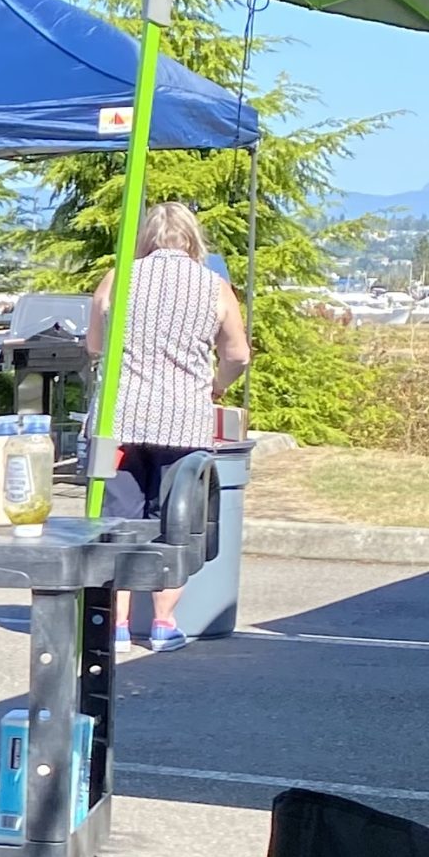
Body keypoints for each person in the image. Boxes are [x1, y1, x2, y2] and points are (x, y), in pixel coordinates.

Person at [88, 201, 250, 653]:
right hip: (184, 422)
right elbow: (238, 354)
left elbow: (94, 346)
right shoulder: (215, 287)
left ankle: (116, 627)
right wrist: (216, 386)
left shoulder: (118, 277)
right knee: (173, 522)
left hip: (118, 420)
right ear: (193, 240)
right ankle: (162, 623)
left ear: (146, 239)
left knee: (116, 522)